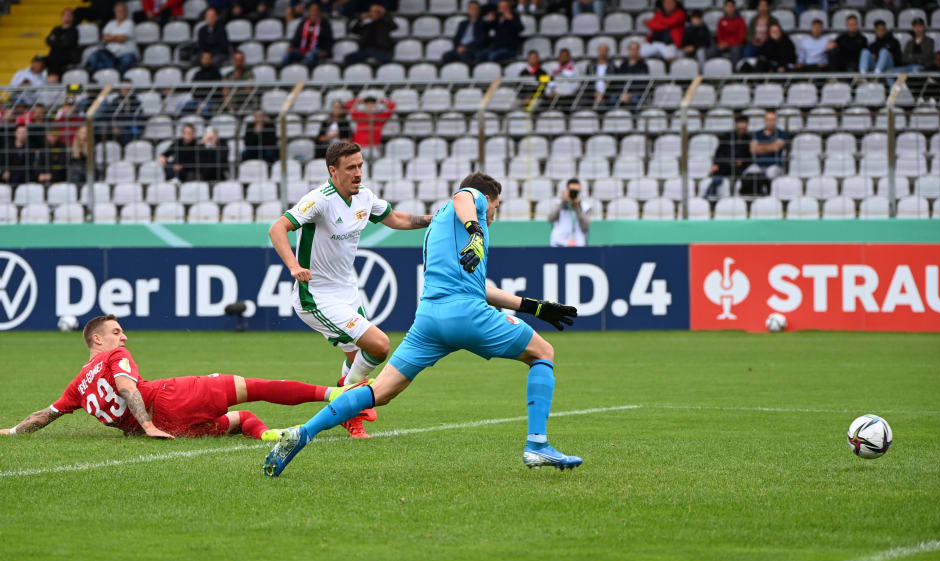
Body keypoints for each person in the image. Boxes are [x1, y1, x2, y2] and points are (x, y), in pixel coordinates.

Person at [262, 171, 581, 477]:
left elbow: (480, 288)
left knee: (380, 391)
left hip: (430, 320)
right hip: (467, 314)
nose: (494, 212)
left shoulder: (441, 227)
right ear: (487, 198)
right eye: (496, 205)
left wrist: (535, 308)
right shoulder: (471, 206)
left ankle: (303, 432)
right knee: (543, 352)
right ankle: (537, 443)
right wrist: (477, 230)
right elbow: (464, 196)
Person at [265, 141, 433, 438]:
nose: (358, 173)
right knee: (379, 346)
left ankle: (349, 415)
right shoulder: (319, 199)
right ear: (333, 171)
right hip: (315, 296)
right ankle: (345, 395)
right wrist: (293, 265)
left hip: (347, 294)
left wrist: (436, 220)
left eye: (360, 166)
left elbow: (396, 219)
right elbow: (278, 228)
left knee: (359, 360)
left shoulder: (365, 197)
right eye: (350, 168)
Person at [0, 315, 341, 440]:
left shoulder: (76, 387)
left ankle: (269, 436)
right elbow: (126, 387)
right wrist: (147, 425)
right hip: (169, 399)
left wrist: (12, 431)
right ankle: (334, 394)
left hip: (171, 426)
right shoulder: (113, 356)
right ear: (97, 340)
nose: (124, 338)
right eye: (117, 332)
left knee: (242, 419)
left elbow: (45, 415)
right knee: (259, 387)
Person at [707, 115, 751, 199]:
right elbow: (719, 153)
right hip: (725, 165)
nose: (742, 126)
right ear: (736, 124)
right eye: (740, 123)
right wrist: (716, 164)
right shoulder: (727, 136)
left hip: (740, 168)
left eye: (744, 123)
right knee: (716, 179)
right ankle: (709, 197)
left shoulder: (749, 139)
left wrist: (743, 161)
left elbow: (750, 157)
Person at [86, 2, 139, 72]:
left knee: (126, 61)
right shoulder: (110, 23)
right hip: (111, 54)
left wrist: (110, 37)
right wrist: (116, 37)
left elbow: (122, 39)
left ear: (126, 12)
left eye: (122, 11)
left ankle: (119, 77)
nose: (120, 13)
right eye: (118, 11)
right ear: (115, 12)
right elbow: (104, 38)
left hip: (126, 53)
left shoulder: (130, 23)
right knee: (95, 57)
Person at [284, 2, 334, 68]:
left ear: (320, 12)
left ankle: (307, 75)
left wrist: (325, 51)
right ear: (308, 12)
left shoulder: (325, 24)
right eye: (312, 10)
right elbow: (296, 38)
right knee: (287, 55)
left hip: (317, 51)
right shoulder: (303, 23)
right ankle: (284, 74)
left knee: (310, 55)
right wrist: (291, 46)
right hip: (302, 50)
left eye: (316, 10)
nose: (314, 12)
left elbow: (329, 40)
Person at [547, 178, 592, 247]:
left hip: (579, 244)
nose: (573, 193)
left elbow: (586, 226)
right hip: (559, 243)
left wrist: (577, 208)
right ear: (567, 190)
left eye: (576, 191)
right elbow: (550, 218)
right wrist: (563, 201)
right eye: (571, 191)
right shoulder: (558, 204)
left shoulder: (585, 207)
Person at [748, 110, 788, 179]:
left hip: (775, 165)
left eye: (773, 120)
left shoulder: (782, 133)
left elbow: (776, 148)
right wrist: (770, 146)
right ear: (764, 121)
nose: (770, 122)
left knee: (771, 173)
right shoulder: (757, 134)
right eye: (768, 120)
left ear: (776, 121)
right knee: (749, 174)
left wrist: (759, 147)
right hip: (758, 165)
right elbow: (752, 149)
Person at [614, 41, 650, 109]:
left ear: (638, 51)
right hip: (623, 93)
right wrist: (622, 93)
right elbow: (618, 82)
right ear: (628, 50)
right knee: (613, 98)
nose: (633, 51)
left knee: (635, 98)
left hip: (636, 93)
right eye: (631, 49)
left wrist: (630, 94)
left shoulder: (643, 66)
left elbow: (643, 84)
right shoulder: (623, 65)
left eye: (635, 49)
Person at [45, 9, 80, 76]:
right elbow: (48, 40)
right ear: (62, 17)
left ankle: (53, 81)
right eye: (65, 15)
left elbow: (67, 44)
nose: (66, 17)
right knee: (40, 60)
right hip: (54, 55)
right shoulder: (56, 29)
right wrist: (60, 41)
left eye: (69, 15)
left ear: (73, 17)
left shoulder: (74, 30)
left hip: (68, 56)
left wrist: (55, 40)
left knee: (56, 60)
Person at [715, 0, 745, 66]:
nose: (729, 8)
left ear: (734, 8)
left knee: (735, 50)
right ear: (724, 8)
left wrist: (728, 43)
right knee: (711, 51)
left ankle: (734, 72)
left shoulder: (740, 20)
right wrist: (721, 43)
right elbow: (719, 35)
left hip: (736, 44)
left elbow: (741, 37)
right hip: (723, 43)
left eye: (731, 6)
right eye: (727, 6)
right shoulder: (721, 20)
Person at [591, 42, 613, 107]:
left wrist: (604, 94)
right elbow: (588, 83)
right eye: (601, 50)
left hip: (607, 94)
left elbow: (613, 84)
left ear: (608, 52)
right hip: (593, 94)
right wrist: (595, 93)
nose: (602, 52)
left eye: (604, 50)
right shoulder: (590, 67)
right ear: (598, 51)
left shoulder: (612, 67)